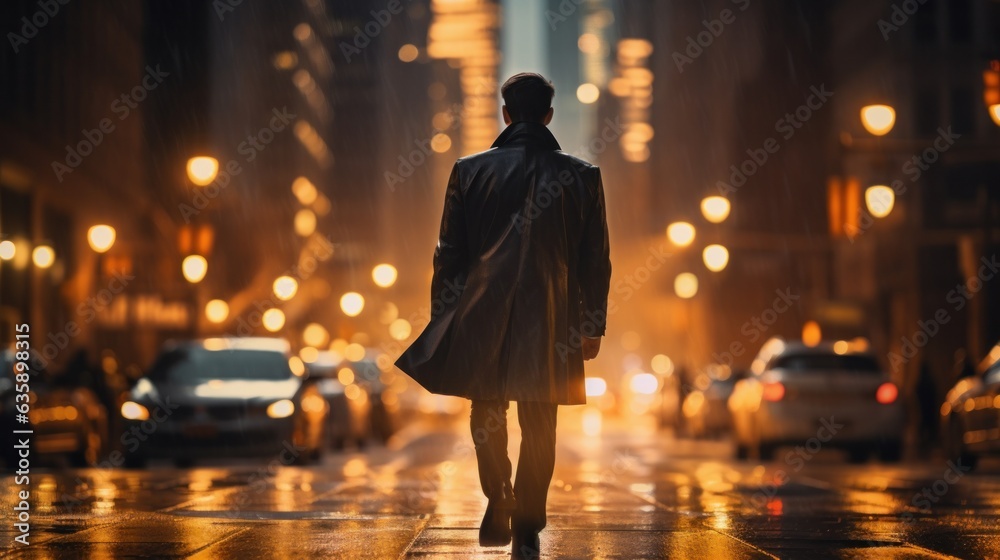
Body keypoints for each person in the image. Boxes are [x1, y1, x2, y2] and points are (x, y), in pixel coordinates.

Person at [395, 72, 611, 559]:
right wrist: (591, 325)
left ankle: (499, 495)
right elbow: (595, 260)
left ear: (505, 114)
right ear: (549, 116)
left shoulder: (469, 171)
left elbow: (449, 254)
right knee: (541, 420)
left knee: (487, 411)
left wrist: (444, 320)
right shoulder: (582, 176)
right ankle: (529, 520)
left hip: (481, 312)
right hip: (552, 316)